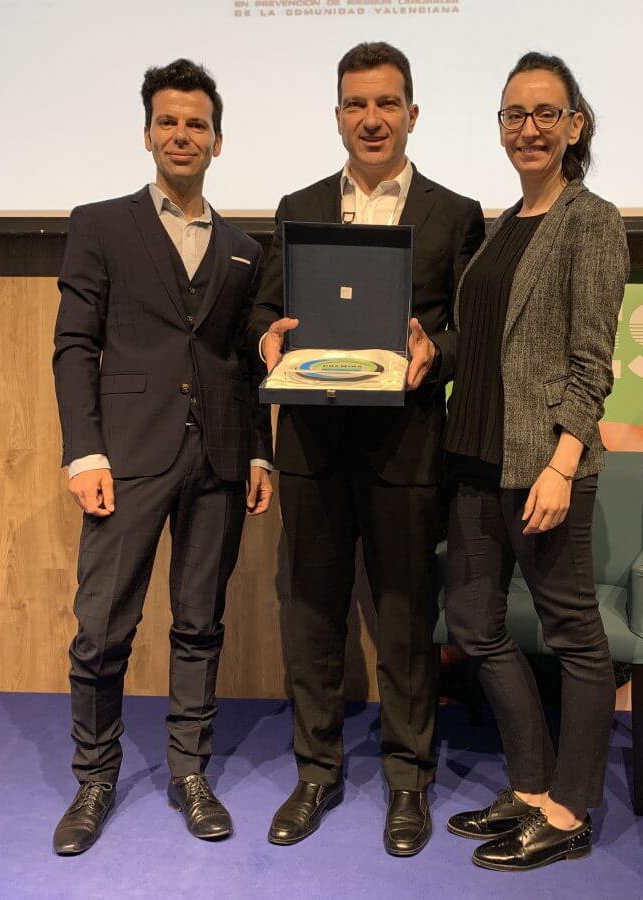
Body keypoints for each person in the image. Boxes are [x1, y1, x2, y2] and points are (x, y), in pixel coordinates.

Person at [250, 42, 485, 856]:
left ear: (412, 113)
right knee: (310, 612)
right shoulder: (298, 204)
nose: (371, 119)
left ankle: (408, 781)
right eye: (356, 104)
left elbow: (470, 333)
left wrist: (436, 354)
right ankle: (315, 773)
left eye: (387, 104)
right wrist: (268, 338)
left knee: (405, 617)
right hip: (312, 445)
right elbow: (264, 312)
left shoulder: (455, 214)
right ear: (339, 115)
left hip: (407, 446)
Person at [50, 59, 273, 855]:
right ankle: (95, 778)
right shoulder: (100, 224)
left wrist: (258, 456)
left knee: (199, 623)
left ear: (218, 139)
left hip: (217, 458)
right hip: (127, 457)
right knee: (102, 627)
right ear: (149, 133)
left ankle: (189, 771)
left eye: (198, 124)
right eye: (169, 122)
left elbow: (247, 363)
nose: (183, 135)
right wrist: (85, 454)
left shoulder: (247, 248)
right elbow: (74, 345)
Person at [437, 51, 627, 872]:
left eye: (546, 112)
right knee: (476, 628)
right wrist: (428, 347)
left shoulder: (591, 220)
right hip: (474, 461)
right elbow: (482, 347)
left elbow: (594, 362)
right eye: (515, 113)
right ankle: (527, 783)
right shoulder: (500, 225)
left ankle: (569, 807)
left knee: (575, 637)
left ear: (575, 126)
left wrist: (562, 461)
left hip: (543, 471)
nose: (529, 127)